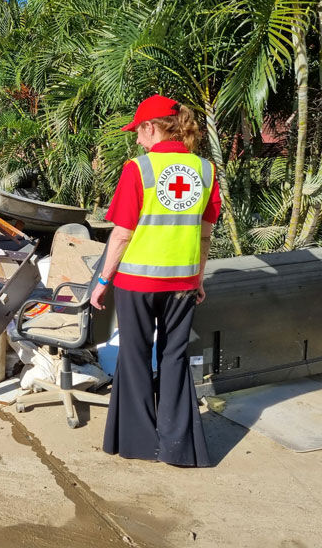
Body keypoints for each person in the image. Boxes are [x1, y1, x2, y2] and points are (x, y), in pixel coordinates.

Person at [90, 94, 220, 467]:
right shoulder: (206, 171)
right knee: (175, 357)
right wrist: (196, 279)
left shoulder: (139, 169)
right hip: (181, 283)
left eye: (138, 131)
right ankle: (178, 447)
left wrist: (102, 280)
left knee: (133, 355)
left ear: (153, 127)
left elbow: (121, 234)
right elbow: (205, 234)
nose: (136, 140)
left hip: (136, 282)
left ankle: (137, 443)